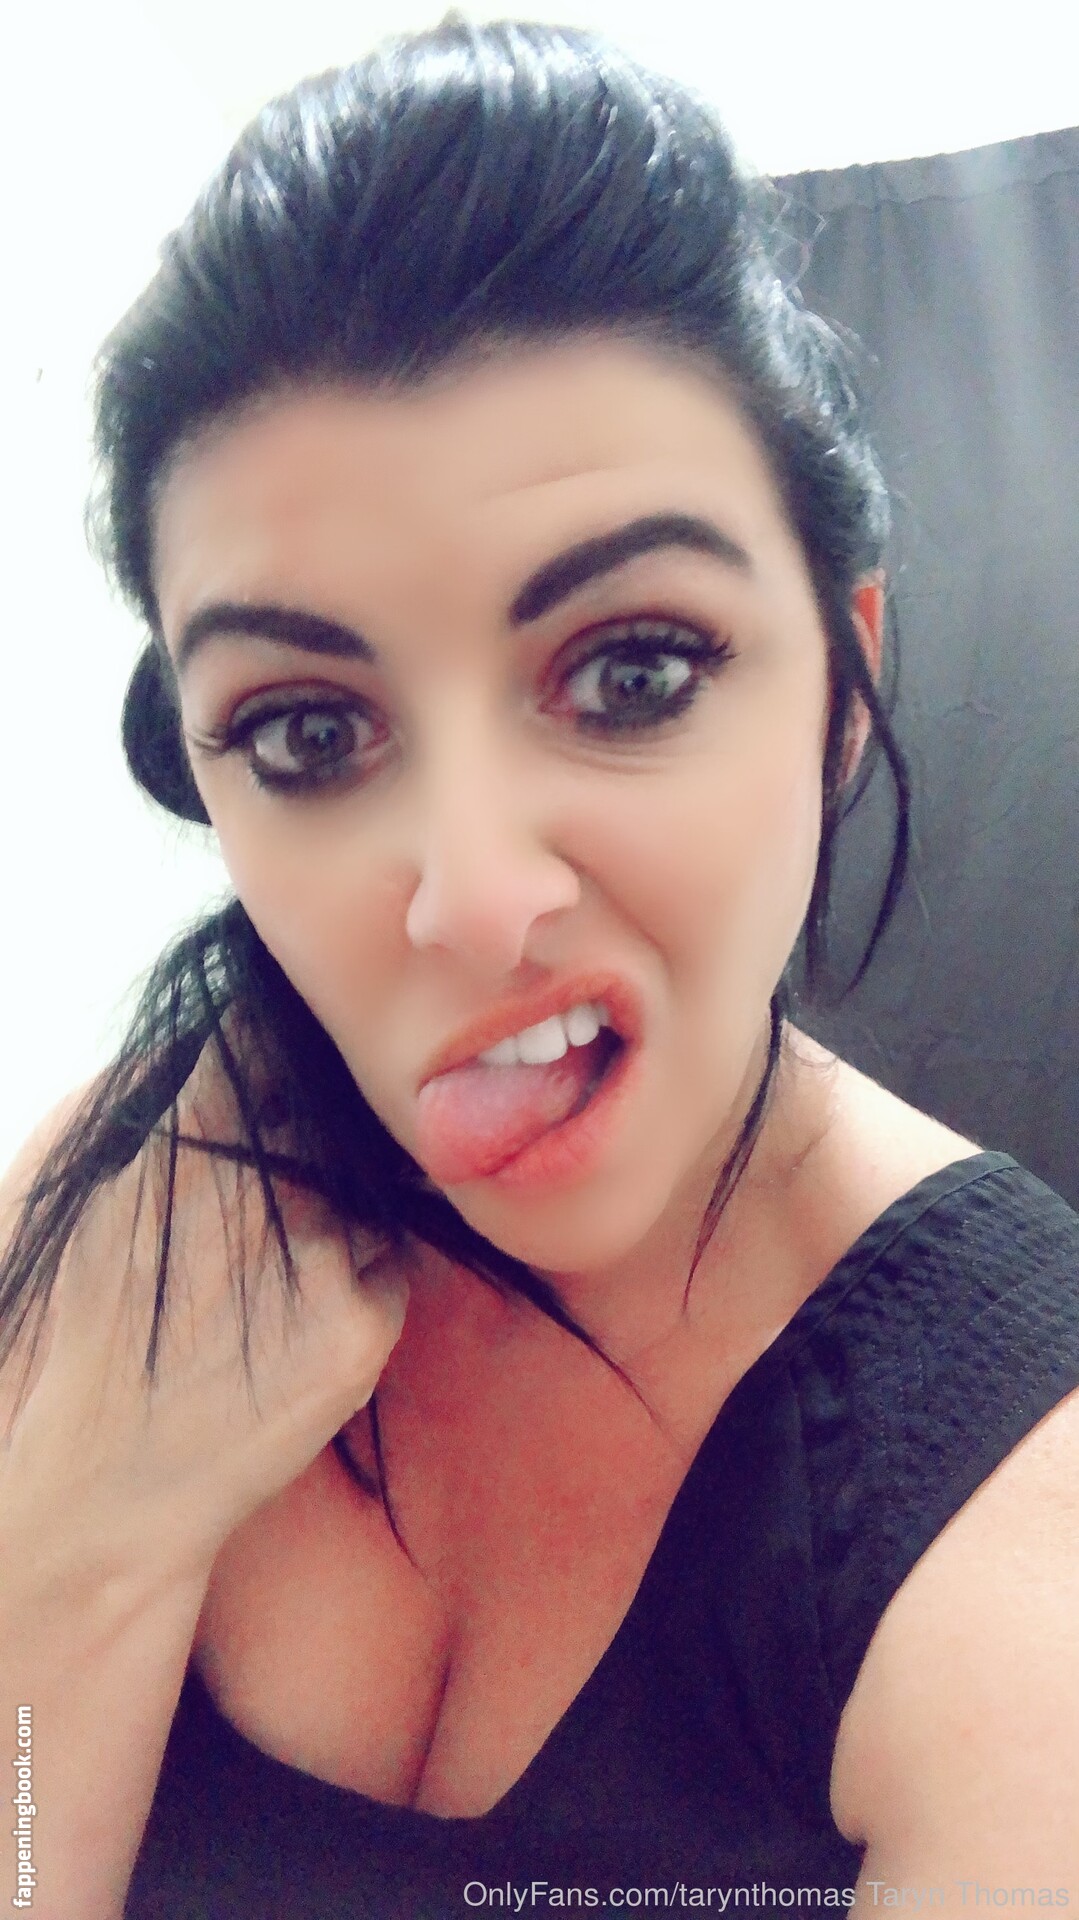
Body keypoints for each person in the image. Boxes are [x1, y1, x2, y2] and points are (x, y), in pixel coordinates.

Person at [2, 16, 1078, 1918]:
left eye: (633, 671)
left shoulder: (1020, 1534)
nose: (472, 901)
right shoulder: (98, 1224)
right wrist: (83, 1554)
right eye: (309, 732)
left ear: (841, 687)